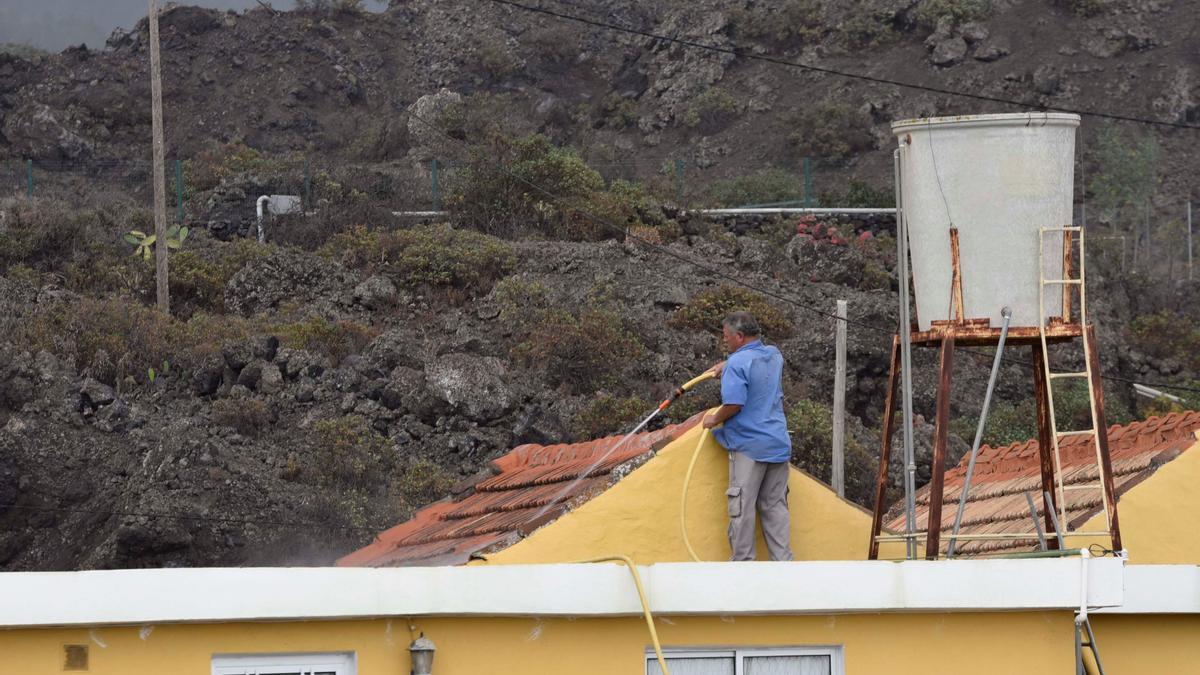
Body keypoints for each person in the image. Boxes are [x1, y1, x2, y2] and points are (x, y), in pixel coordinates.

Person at [702, 311, 793, 561]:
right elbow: (755, 359)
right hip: (777, 444)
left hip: (749, 447)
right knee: (775, 507)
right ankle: (784, 566)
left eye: (726, 337)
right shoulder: (774, 355)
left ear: (739, 336)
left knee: (741, 508)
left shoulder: (737, 363)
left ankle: (743, 566)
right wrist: (727, 363)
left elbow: (734, 404)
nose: (724, 341)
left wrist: (713, 419)